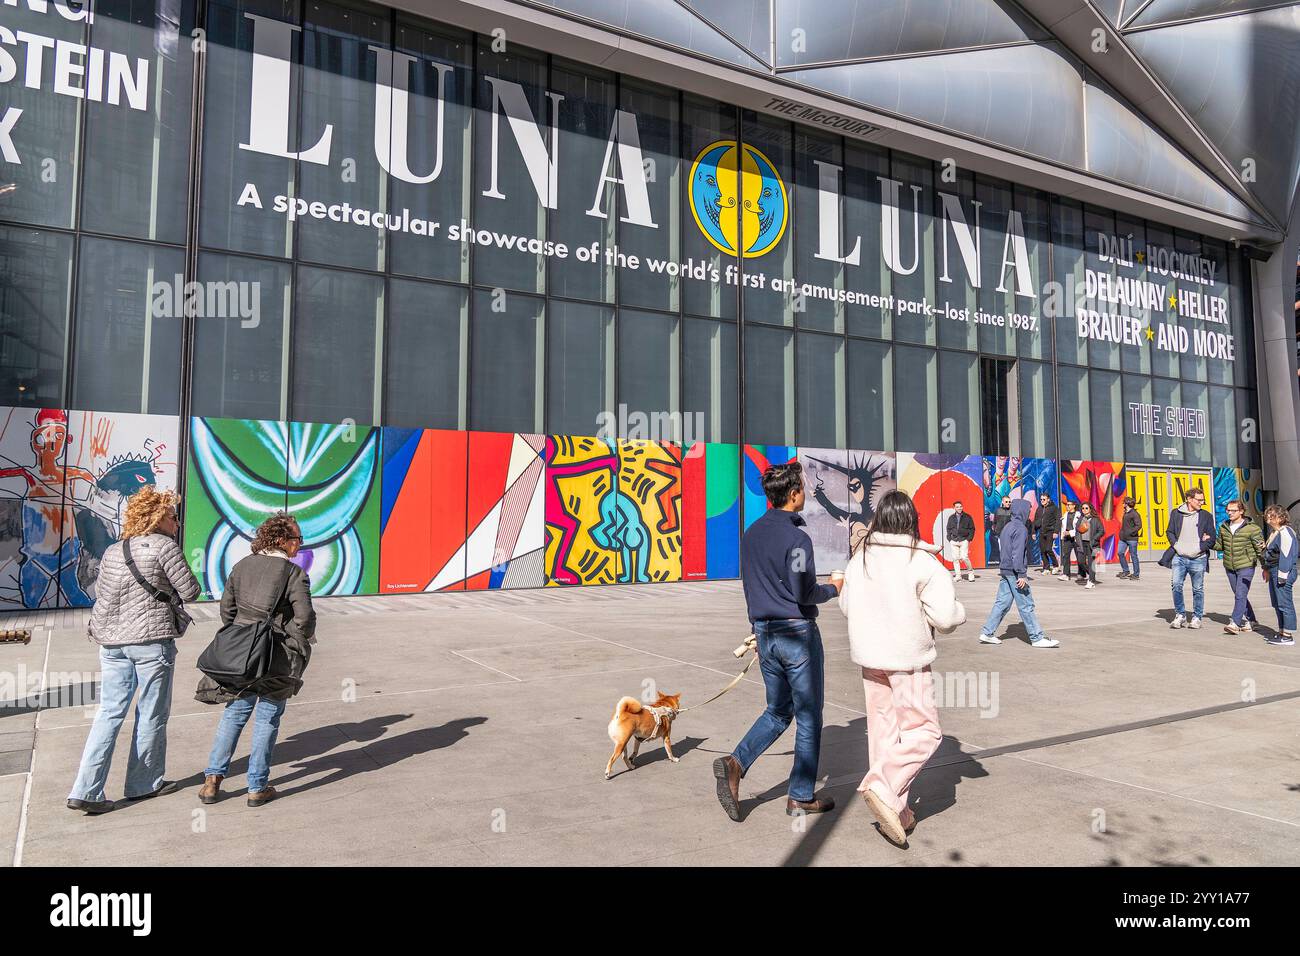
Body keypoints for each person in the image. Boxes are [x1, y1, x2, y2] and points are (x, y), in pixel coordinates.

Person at [714, 462, 841, 821]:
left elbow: (751, 585)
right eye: (801, 486)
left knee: (777, 710)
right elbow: (805, 592)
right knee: (808, 716)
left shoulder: (751, 534)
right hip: (796, 635)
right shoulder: (797, 539)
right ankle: (800, 795)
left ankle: (735, 762)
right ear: (794, 493)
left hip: (765, 633)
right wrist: (833, 589)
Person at [838, 490, 965, 847]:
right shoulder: (922, 561)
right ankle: (881, 786)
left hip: (870, 658)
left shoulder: (861, 557)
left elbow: (848, 606)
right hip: (906, 659)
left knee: (883, 733)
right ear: (912, 520)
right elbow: (944, 616)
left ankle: (897, 810)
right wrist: (959, 613)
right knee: (925, 732)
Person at [67, 488, 200, 814]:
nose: (177, 523)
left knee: (109, 714)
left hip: (112, 646)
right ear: (158, 517)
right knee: (151, 714)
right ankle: (143, 784)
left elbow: (102, 596)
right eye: (173, 516)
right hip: (152, 644)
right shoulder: (165, 548)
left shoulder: (114, 550)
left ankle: (86, 789)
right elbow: (191, 592)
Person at [197, 512, 316, 807]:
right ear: (281, 540)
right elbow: (305, 618)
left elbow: (227, 611)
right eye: (296, 539)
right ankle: (256, 787)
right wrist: (297, 642)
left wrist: (242, 635)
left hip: (243, 655)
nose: (299, 545)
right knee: (268, 717)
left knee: (235, 713)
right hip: (277, 655)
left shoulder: (241, 566)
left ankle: (212, 781)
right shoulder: (293, 573)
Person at [979, 498, 1060, 648]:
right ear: (1022, 510)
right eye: (1028, 510)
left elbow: (1006, 551)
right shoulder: (1021, 529)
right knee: (1026, 604)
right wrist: (1022, 574)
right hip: (1015, 572)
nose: (1029, 513)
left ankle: (987, 632)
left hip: (1006, 570)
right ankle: (1036, 637)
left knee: (1002, 603)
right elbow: (1017, 554)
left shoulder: (1008, 526)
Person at [1161, 488, 1215, 630]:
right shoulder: (1176, 513)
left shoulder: (1206, 516)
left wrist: (1200, 547)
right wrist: (1176, 545)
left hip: (1198, 558)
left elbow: (1212, 538)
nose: (1202, 502)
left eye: (1203, 500)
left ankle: (1197, 617)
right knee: (1176, 585)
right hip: (1179, 557)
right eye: (1199, 500)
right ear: (1189, 499)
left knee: (1198, 589)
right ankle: (1180, 614)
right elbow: (1170, 531)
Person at [1216, 499, 1263, 635]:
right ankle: (1252, 621)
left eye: (1233, 510)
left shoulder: (1252, 528)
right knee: (1239, 595)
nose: (1229, 513)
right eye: (1228, 510)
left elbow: (1260, 548)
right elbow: (1220, 546)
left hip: (1246, 565)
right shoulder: (1224, 526)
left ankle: (1235, 623)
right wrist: (1209, 541)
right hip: (1229, 566)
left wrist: (1265, 566)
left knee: (1240, 594)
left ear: (1241, 511)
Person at [1261, 504, 1296, 646]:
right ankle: (1282, 631)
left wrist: (1282, 575)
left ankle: (1288, 635)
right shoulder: (1275, 532)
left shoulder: (1285, 532)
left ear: (1281, 517)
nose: (1269, 519)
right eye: (1268, 516)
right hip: (1275, 570)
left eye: (1272, 516)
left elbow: (1287, 556)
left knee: (1284, 603)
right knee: (1277, 603)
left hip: (1283, 571)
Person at [945, 501, 976, 583]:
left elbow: (972, 528)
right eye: (957, 507)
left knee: (964, 557)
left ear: (962, 507)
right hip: (954, 540)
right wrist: (949, 538)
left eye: (960, 506)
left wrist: (969, 539)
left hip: (964, 540)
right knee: (955, 558)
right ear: (954, 508)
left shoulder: (967, 517)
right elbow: (948, 529)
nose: (959, 508)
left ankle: (970, 572)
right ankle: (958, 575)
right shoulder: (951, 517)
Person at [1077, 502, 1102, 589]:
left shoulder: (1095, 519)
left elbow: (1101, 531)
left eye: (1086, 508)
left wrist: (1095, 539)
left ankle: (1091, 581)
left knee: (1091, 563)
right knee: (1081, 562)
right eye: (1083, 508)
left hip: (1092, 544)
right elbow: (1077, 530)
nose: (1084, 510)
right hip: (1082, 543)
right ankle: (1092, 575)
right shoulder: (1080, 518)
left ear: (1090, 509)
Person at [1116, 497, 1142, 581]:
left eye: (1124, 503)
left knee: (1133, 555)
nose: (1122, 504)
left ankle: (1136, 574)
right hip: (1123, 538)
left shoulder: (1134, 514)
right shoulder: (1126, 512)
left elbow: (1139, 525)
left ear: (1127, 504)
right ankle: (1126, 571)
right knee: (1120, 553)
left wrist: (1131, 532)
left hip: (1132, 539)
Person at [1034, 492, 1060, 575]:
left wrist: (1056, 531)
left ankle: (1056, 566)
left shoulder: (1054, 508)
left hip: (1050, 531)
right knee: (1042, 550)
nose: (1042, 501)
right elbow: (1035, 521)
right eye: (1041, 499)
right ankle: (1046, 568)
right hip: (1041, 531)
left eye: (1044, 499)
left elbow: (1058, 521)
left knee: (1048, 549)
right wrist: (1033, 532)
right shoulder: (1039, 509)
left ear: (1048, 499)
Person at [1059, 500, 1081, 581]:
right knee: (1066, 556)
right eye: (1067, 505)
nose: (1067, 506)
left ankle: (1081, 573)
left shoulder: (1078, 515)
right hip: (1067, 538)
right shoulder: (1065, 514)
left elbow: (1079, 528)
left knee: (1079, 557)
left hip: (1076, 538)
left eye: (1069, 505)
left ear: (1074, 506)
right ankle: (1066, 574)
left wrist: (1070, 532)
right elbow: (1063, 527)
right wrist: (1063, 535)